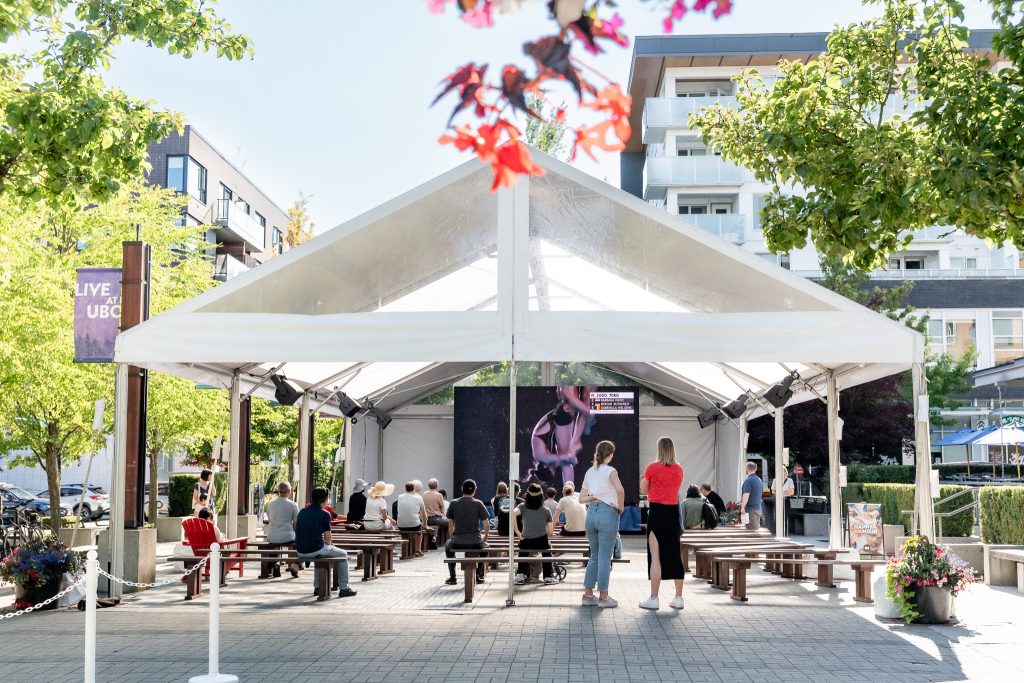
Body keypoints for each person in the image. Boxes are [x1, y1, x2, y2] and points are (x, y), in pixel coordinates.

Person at [639, 437, 685, 610]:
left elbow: (644, 489)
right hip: (673, 513)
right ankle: (678, 598)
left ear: (659, 449)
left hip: (657, 512)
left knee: (655, 557)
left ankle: (654, 598)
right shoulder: (679, 469)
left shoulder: (652, 467)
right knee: (675, 555)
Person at [579, 440, 624, 608]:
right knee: (605, 556)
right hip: (607, 513)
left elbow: (581, 499)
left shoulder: (590, 471)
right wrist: (621, 506)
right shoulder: (611, 471)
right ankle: (603, 597)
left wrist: (595, 497)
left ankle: (588, 595)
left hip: (591, 514)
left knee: (595, 556)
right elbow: (620, 490)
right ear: (610, 454)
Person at [295, 487, 356, 598]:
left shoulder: (302, 512)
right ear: (325, 500)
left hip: (300, 551)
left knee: (321, 556)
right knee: (343, 554)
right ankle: (344, 588)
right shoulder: (325, 514)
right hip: (315, 549)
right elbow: (328, 539)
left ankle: (317, 587)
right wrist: (329, 547)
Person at [528, 386, 592, 489]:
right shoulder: (542, 460)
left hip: (560, 419)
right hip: (557, 418)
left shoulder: (542, 458)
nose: (554, 468)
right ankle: (569, 490)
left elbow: (566, 458)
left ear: (546, 467)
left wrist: (573, 456)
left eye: (553, 470)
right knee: (566, 461)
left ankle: (569, 491)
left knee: (566, 461)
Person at [444, 479, 490, 586]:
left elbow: (450, 524)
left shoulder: (454, 503)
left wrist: (452, 538)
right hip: (476, 541)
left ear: (461, 488)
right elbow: (486, 524)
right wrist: (485, 537)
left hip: (457, 541)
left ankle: (452, 577)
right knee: (486, 548)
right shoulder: (478, 503)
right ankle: (479, 575)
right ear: (475, 490)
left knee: (448, 546)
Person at [513, 483, 557, 585]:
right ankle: (548, 577)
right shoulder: (546, 510)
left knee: (522, 551)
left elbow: (513, 513)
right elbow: (550, 532)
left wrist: (517, 531)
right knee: (547, 551)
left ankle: (521, 576)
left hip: (526, 541)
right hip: (542, 541)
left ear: (527, 495)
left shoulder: (522, 507)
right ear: (541, 496)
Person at [266, 481, 301, 578]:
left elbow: (269, 520)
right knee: (298, 542)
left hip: (272, 536)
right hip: (287, 536)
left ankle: (275, 562)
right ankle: (294, 565)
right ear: (289, 491)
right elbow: (296, 523)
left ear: (278, 491)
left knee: (275, 544)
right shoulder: (293, 505)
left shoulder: (271, 504)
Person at [740, 461, 764, 530]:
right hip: (758, 508)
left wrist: (742, 507)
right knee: (755, 529)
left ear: (747, 469)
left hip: (751, 510)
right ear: (755, 469)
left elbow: (746, 495)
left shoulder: (748, 481)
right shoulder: (759, 480)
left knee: (751, 531)